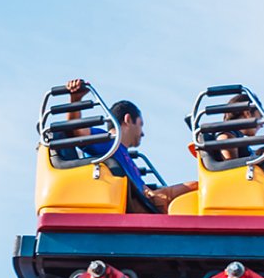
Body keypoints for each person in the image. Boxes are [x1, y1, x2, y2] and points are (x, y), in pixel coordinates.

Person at [65, 81, 196, 212]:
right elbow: (78, 132)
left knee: (196, 188)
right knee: (195, 187)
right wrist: (76, 100)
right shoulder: (107, 141)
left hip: (144, 198)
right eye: (140, 124)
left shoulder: (125, 155)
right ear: (128, 119)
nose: (142, 133)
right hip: (136, 204)